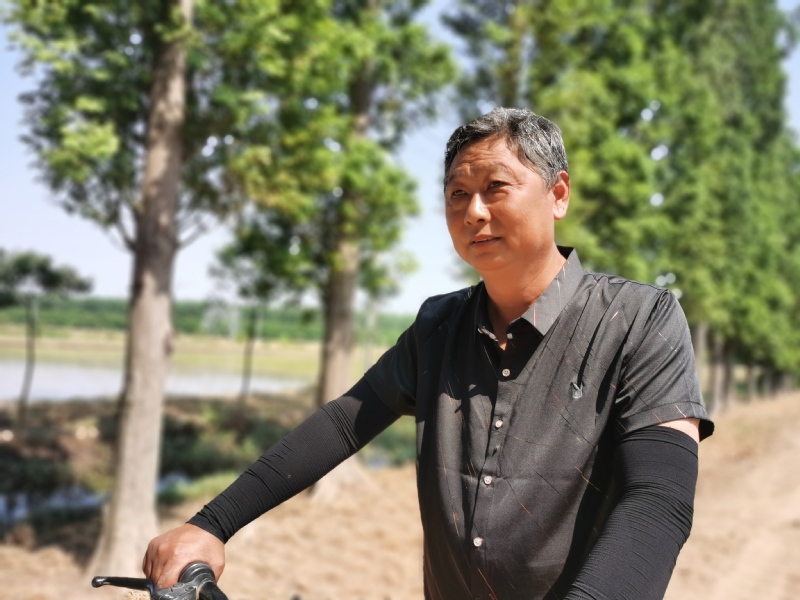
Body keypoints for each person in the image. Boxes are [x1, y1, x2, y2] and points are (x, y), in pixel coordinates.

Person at [143, 108, 713, 599]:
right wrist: (212, 524)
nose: (474, 212)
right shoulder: (438, 325)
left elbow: (658, 499)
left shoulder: (641, 319)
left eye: (496, 187)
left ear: (557, 194)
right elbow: (344, 422)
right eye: (458, 194)